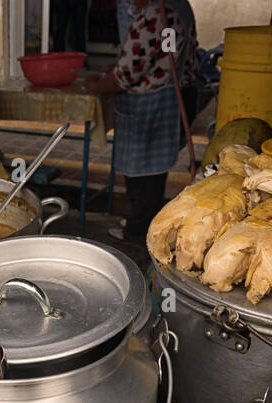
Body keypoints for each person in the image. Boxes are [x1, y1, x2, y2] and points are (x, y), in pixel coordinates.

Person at [84, 0, 197, 241]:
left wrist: (99, 83)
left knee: (142, 177)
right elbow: (154, 57)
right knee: (153, 176)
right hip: (170, 99)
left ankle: (139, 232)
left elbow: (125, 76)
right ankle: (145, 223)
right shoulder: (179, 6)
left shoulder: (155, 15)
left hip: (149, 107)